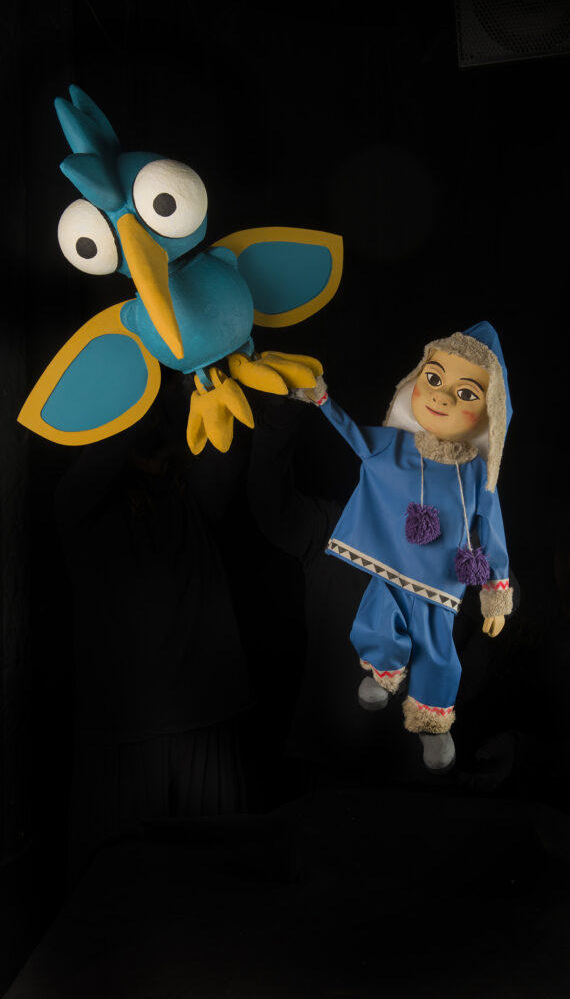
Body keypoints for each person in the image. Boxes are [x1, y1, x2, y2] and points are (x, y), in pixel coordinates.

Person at [55, 373, 252, 879]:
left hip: (205, 721)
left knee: (217, 890)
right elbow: (99, 461)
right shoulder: (81, 507)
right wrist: (136, 390)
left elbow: (223, 450)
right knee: (114, 896)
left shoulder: (193, 497)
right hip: (121, 734)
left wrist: (200, 378)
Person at [294, 321, 513, 772]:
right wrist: (322, 400)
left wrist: (496, 592)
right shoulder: (395, 446)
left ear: (490, 411)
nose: (442, 397)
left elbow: (492, 528)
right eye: (434, 378)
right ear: (415, 379)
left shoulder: (476, 473)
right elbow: (354, 435)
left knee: (437, 649)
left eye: (465, 393)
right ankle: (383, 671)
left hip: (441, 580)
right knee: (379, 614)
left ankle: (434, 724)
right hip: (392, 565)